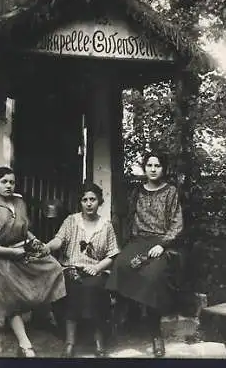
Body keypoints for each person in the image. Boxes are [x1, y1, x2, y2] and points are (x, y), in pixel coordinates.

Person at [0, 166, 66, 357]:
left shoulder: (20, 201)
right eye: (4, 181)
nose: (9, 185)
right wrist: (9, 252)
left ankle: (44, 315)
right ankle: (25, 344)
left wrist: (35, 241)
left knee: (54, 267)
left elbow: (24, 230)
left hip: (21, 250)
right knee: (10, 293)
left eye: (12, 182)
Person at [106, 150, 184, 358]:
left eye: (157, 166)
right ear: (144, 167)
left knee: (152, 277)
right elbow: (128, 219)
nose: (153, 169)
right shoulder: (136, 191)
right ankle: (120, 324)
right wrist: (127, 244)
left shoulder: (171, 192)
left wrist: (164, 244)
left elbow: (177, 223)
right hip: (138, 241)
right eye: (149, 165)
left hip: (161, 243)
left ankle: (155, 332)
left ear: (163, 169)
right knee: (121, 265)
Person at [45, 182, 119, 358]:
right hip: (72, 267)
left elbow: (113, 254)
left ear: (99, 201)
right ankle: (70, 342)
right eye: (84, 199)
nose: (88, 203)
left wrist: (97, 267)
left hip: (96, 270)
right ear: (80, 202)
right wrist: (47, 247)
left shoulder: (106, 225)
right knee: (74, 285)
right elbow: (59, 240)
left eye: (92, 199)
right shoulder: (71, 221)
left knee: (94, 287)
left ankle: (99, 341)